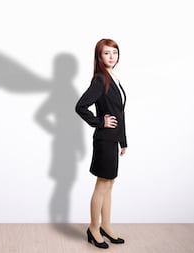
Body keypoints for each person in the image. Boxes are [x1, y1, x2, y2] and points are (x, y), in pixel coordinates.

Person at [75, 38, 127, 249]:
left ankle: (106, 225)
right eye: (106, 53)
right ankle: (93, 228)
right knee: (102, 184)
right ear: (99, 57)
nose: (111, 56)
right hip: (104, 140)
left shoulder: (113, 78)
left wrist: (123, 141)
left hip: (114, 140)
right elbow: (81, 106)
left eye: (114, 52)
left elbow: (120, 114)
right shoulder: (99, 80)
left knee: (110, 184)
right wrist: (100, 122)